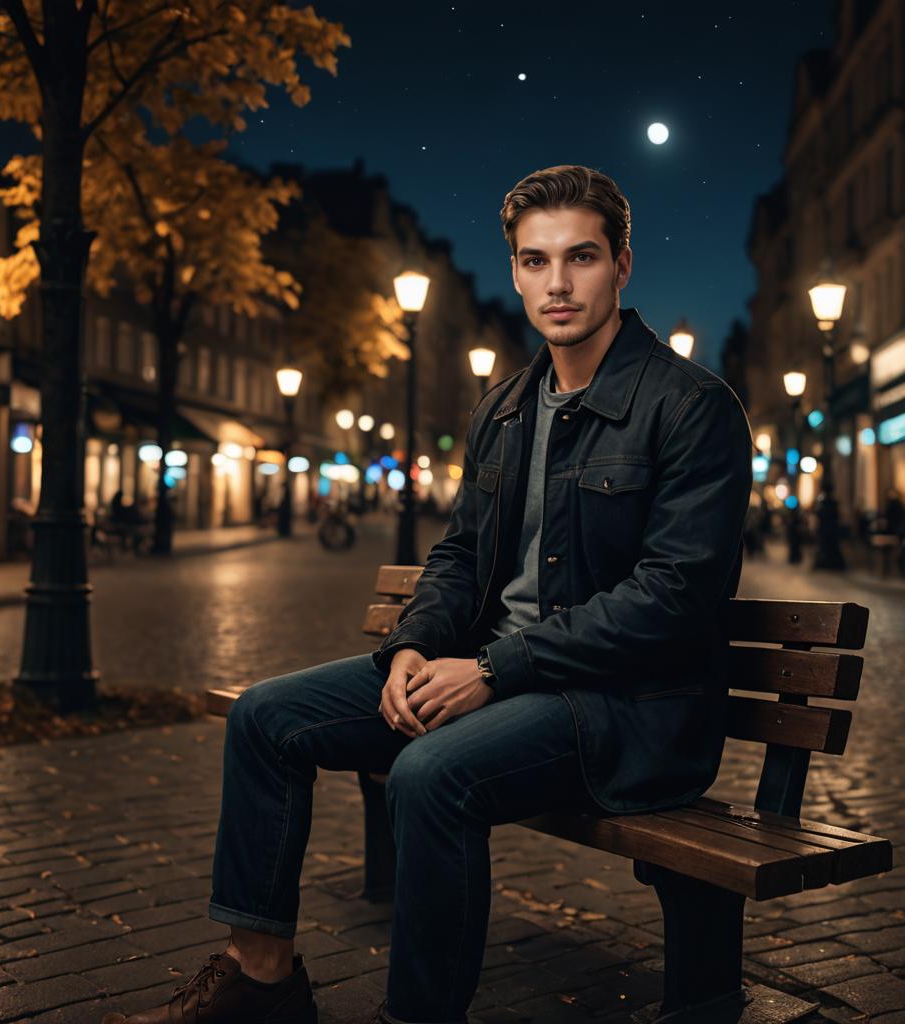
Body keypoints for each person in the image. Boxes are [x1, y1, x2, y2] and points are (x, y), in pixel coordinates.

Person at [102, 165, 753, 1024]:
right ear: (516, 271)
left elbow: (671, 598)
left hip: (625, 710)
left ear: (622, 266)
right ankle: (262, 980)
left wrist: (494, 666)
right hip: (502, 676)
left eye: (581, 257)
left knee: (428, 774)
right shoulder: (506, 410)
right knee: (264, 718)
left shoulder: (691, 407)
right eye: (534, 261)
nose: (556, 284)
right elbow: (457, 554)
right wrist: (411, 647)